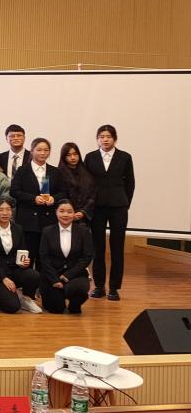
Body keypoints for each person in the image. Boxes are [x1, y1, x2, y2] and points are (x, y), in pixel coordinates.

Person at [85, 125, 135, 301]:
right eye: (101, 136)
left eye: (108, 136)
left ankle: (114, 287)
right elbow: (87, 182)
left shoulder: (125, 157)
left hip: (118, 207)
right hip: (97, 207)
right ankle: (99, 286)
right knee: (98, 247)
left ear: (115, 138)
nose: (105, 139)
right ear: (97, 139)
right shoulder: (90, 157)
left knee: (117, 247)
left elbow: (130, 183)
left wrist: (125, 203)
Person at [10, 137, 68, 271]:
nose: (43, 153)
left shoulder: (55, 171)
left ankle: (44, 283)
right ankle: (27, 282)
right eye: (39, 150)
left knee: (46, 257)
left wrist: (54, 199)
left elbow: (64, 192)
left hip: (48, 221)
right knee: (27, 256)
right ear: (32, 151)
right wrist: (33, 198)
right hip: (28, 220)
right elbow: (14, 191)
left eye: (46, 150)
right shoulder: (22, 170)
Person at [0, 197, 41, 314]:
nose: (5, 213)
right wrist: (3, 278)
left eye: (8, 209)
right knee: (12, 307)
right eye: (1, 210)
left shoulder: (18, 228)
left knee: (33, 275)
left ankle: (26, 299)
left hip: (15, 270)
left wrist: (24, 262)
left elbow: (23, 250)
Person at [39, 200, 93, 314]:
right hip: (52, 275)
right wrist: (54, 279)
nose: (65, 215)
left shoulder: (84, 231)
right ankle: (59, 297)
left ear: (74, 213)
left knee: (79, 290)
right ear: (56, 212)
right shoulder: (47, 231)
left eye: (69, 211)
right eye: (62, 211)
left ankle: (74, 304)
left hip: (75, 274)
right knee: (56, 309)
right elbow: (44, 257)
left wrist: (68, 275)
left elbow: (87, 256)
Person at [57, 142, 96, 225]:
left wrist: (83, 211)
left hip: (84, 217)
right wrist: (70, 212)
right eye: (68, 155)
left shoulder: (87, 172)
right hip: (65, 216)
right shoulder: (58, 173)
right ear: (63, 157)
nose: (73, 157)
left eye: (75, 154)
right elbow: (61, 195)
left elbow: (93, 195)